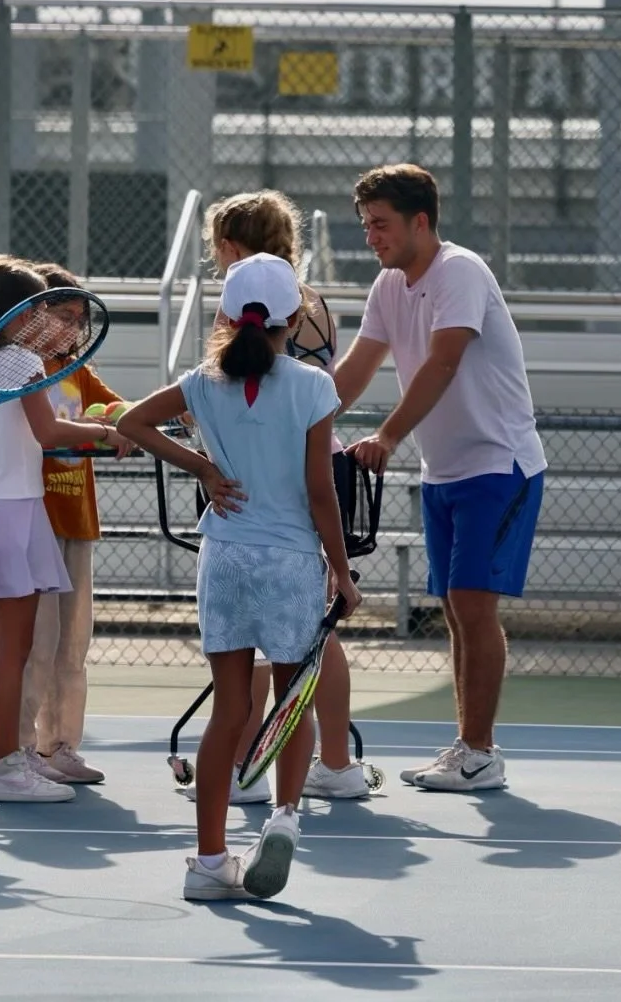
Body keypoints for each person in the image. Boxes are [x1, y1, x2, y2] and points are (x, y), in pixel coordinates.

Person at [119, 252, 362, 902]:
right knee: (291, 700)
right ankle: (284, 815)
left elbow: (129, 421)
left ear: (226, 314)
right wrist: (341, 571)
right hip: (289, 563)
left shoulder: (202, 383)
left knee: (231, 706)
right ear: (293, 319)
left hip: (223, 559)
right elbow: (320, 490)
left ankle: (207, 861)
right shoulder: (313, 387)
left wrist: (200, 467)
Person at [333, 163, 546, 792]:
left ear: (420, 222)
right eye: (365, 225)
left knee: (473, 607)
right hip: (444, 471)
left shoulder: (459, 271)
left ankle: (480, 751)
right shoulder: (387, 287)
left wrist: (389, 434)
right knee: (455, 609)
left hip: (498, 465)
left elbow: (445, 361)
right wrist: (298, 424)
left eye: (381, 224)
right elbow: (354, 371)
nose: (371, 237)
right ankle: (469, 747)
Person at [194, 189, 370, 805]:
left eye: (219, 248)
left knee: (269, 652)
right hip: (302, 467)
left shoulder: (244, 313)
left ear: (233, 247)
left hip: (270, 476)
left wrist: (203, 458)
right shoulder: (308, 304)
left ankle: (249, 765)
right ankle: (329, 765)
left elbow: (240, 392)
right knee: (308, 640)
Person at [0, 257, 131, 803]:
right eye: (35, 310)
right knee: (13, 652)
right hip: (17, 514)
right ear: (16, 315)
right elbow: (50, 432)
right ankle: (9, 766)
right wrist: (106, 430)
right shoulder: (23, 362)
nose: (44, 320)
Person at [18, 262, 131, 786]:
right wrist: (98, 430)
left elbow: (114, 406)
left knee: (72, 645)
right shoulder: (17, 368)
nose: (72, 328)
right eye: (63, 315)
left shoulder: (77, 372)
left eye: (78, 318)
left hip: (76, 522)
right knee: (36, 643)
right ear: (35, 314)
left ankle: (62, 745)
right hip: (34, 519)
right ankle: (24, 749)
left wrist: (119, 419)